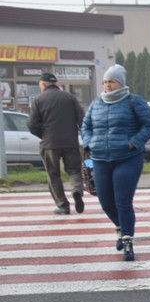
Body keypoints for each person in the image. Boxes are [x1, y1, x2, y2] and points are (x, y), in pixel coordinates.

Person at [80, 65, 150, 262]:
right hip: (100, 159)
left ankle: (128, 243)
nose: (107, 85)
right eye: (105, 82)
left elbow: (149, 126)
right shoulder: (96, 104)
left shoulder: (134, 101)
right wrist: (89, 143)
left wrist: (133, 143)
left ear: (120, 83)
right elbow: (86, 127)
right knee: (106, 202)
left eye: (111, 82)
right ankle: (121, 228)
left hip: (127, 158)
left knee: (122, 202)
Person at [28, 73, 85, 215]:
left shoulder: (38, 99)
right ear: (55, 84)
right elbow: (81, 119)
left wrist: (43, 135)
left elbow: (31, 124)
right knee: (74, 170)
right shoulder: (69, 97)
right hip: (71, 142)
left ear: (42, 84)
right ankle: (77, 189)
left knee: (53, 174)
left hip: (49, 144)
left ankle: (63, 206)